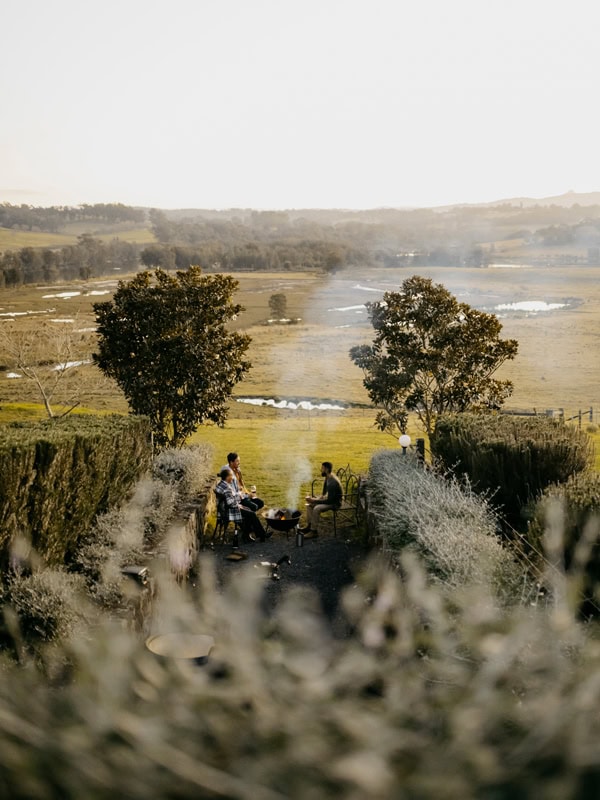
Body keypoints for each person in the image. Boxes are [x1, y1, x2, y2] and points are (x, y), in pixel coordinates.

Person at [299, 461, 342, 537]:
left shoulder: (333, 482)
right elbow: (324, 492)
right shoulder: (328, 477)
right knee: (309, 505)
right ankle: (309, 526)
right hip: (329, 499)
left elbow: (329, 501)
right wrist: (315, 498)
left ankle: (314, 532)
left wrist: (315, 500)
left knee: (317, 508)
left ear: (327, 469)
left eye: (322, 468)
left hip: (335, 503)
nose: (321, 470)